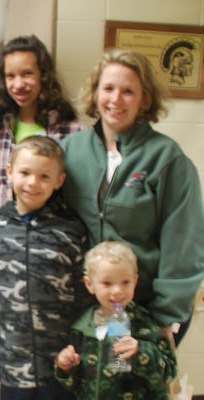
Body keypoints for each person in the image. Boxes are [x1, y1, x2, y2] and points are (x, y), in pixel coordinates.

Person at [60, 48, 204, 345]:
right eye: (108, 88)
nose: (115, 99)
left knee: (130, 387)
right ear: (95, 92)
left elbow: (185, 244)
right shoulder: (70, 151)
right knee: (90, 387)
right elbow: (31, 201)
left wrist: (167, 317)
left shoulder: (167, 159)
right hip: (85, 314)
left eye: (128, 91)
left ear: (144, 99)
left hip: (145, 314)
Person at [0, 136, 88, 400]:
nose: (33, 183)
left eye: (45, 176)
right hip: (13, 366)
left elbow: (84, 297)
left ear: (59, 181)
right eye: (25, 173)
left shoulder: (72, 231)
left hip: (62, 365)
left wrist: (80, 349)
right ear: (9, 172)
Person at [0, 34, 85, 273]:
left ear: (43, 76)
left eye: (27, 73)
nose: (18, 84)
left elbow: (80, 201)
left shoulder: (73, 130)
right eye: (10, 76)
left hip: (49, 259)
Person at [55, 241, 177, 399]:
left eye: (125, 282)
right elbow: (72, 385)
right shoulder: (82, 328)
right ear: (90, 284)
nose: (118, 291)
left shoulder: (146, 325)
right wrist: (65, 367)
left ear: (135, 281)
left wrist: (141, 353)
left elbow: (167, 376)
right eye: (107, 283)